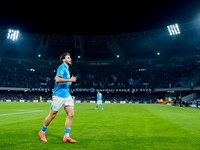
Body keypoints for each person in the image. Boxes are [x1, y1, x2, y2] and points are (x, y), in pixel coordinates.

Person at [38, 52, 77, 143]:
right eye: (68, 58)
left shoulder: (67, 69)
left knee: (71, 114)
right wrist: (70, 80)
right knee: (53, 115)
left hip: (67, 95)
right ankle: (42, 132)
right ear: (63, 60)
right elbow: (57, 79)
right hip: (58, 95)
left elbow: (65, 82)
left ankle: (66, 136)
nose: (70, 59)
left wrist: (70, 82)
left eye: (70, 57)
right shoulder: (61, 67)